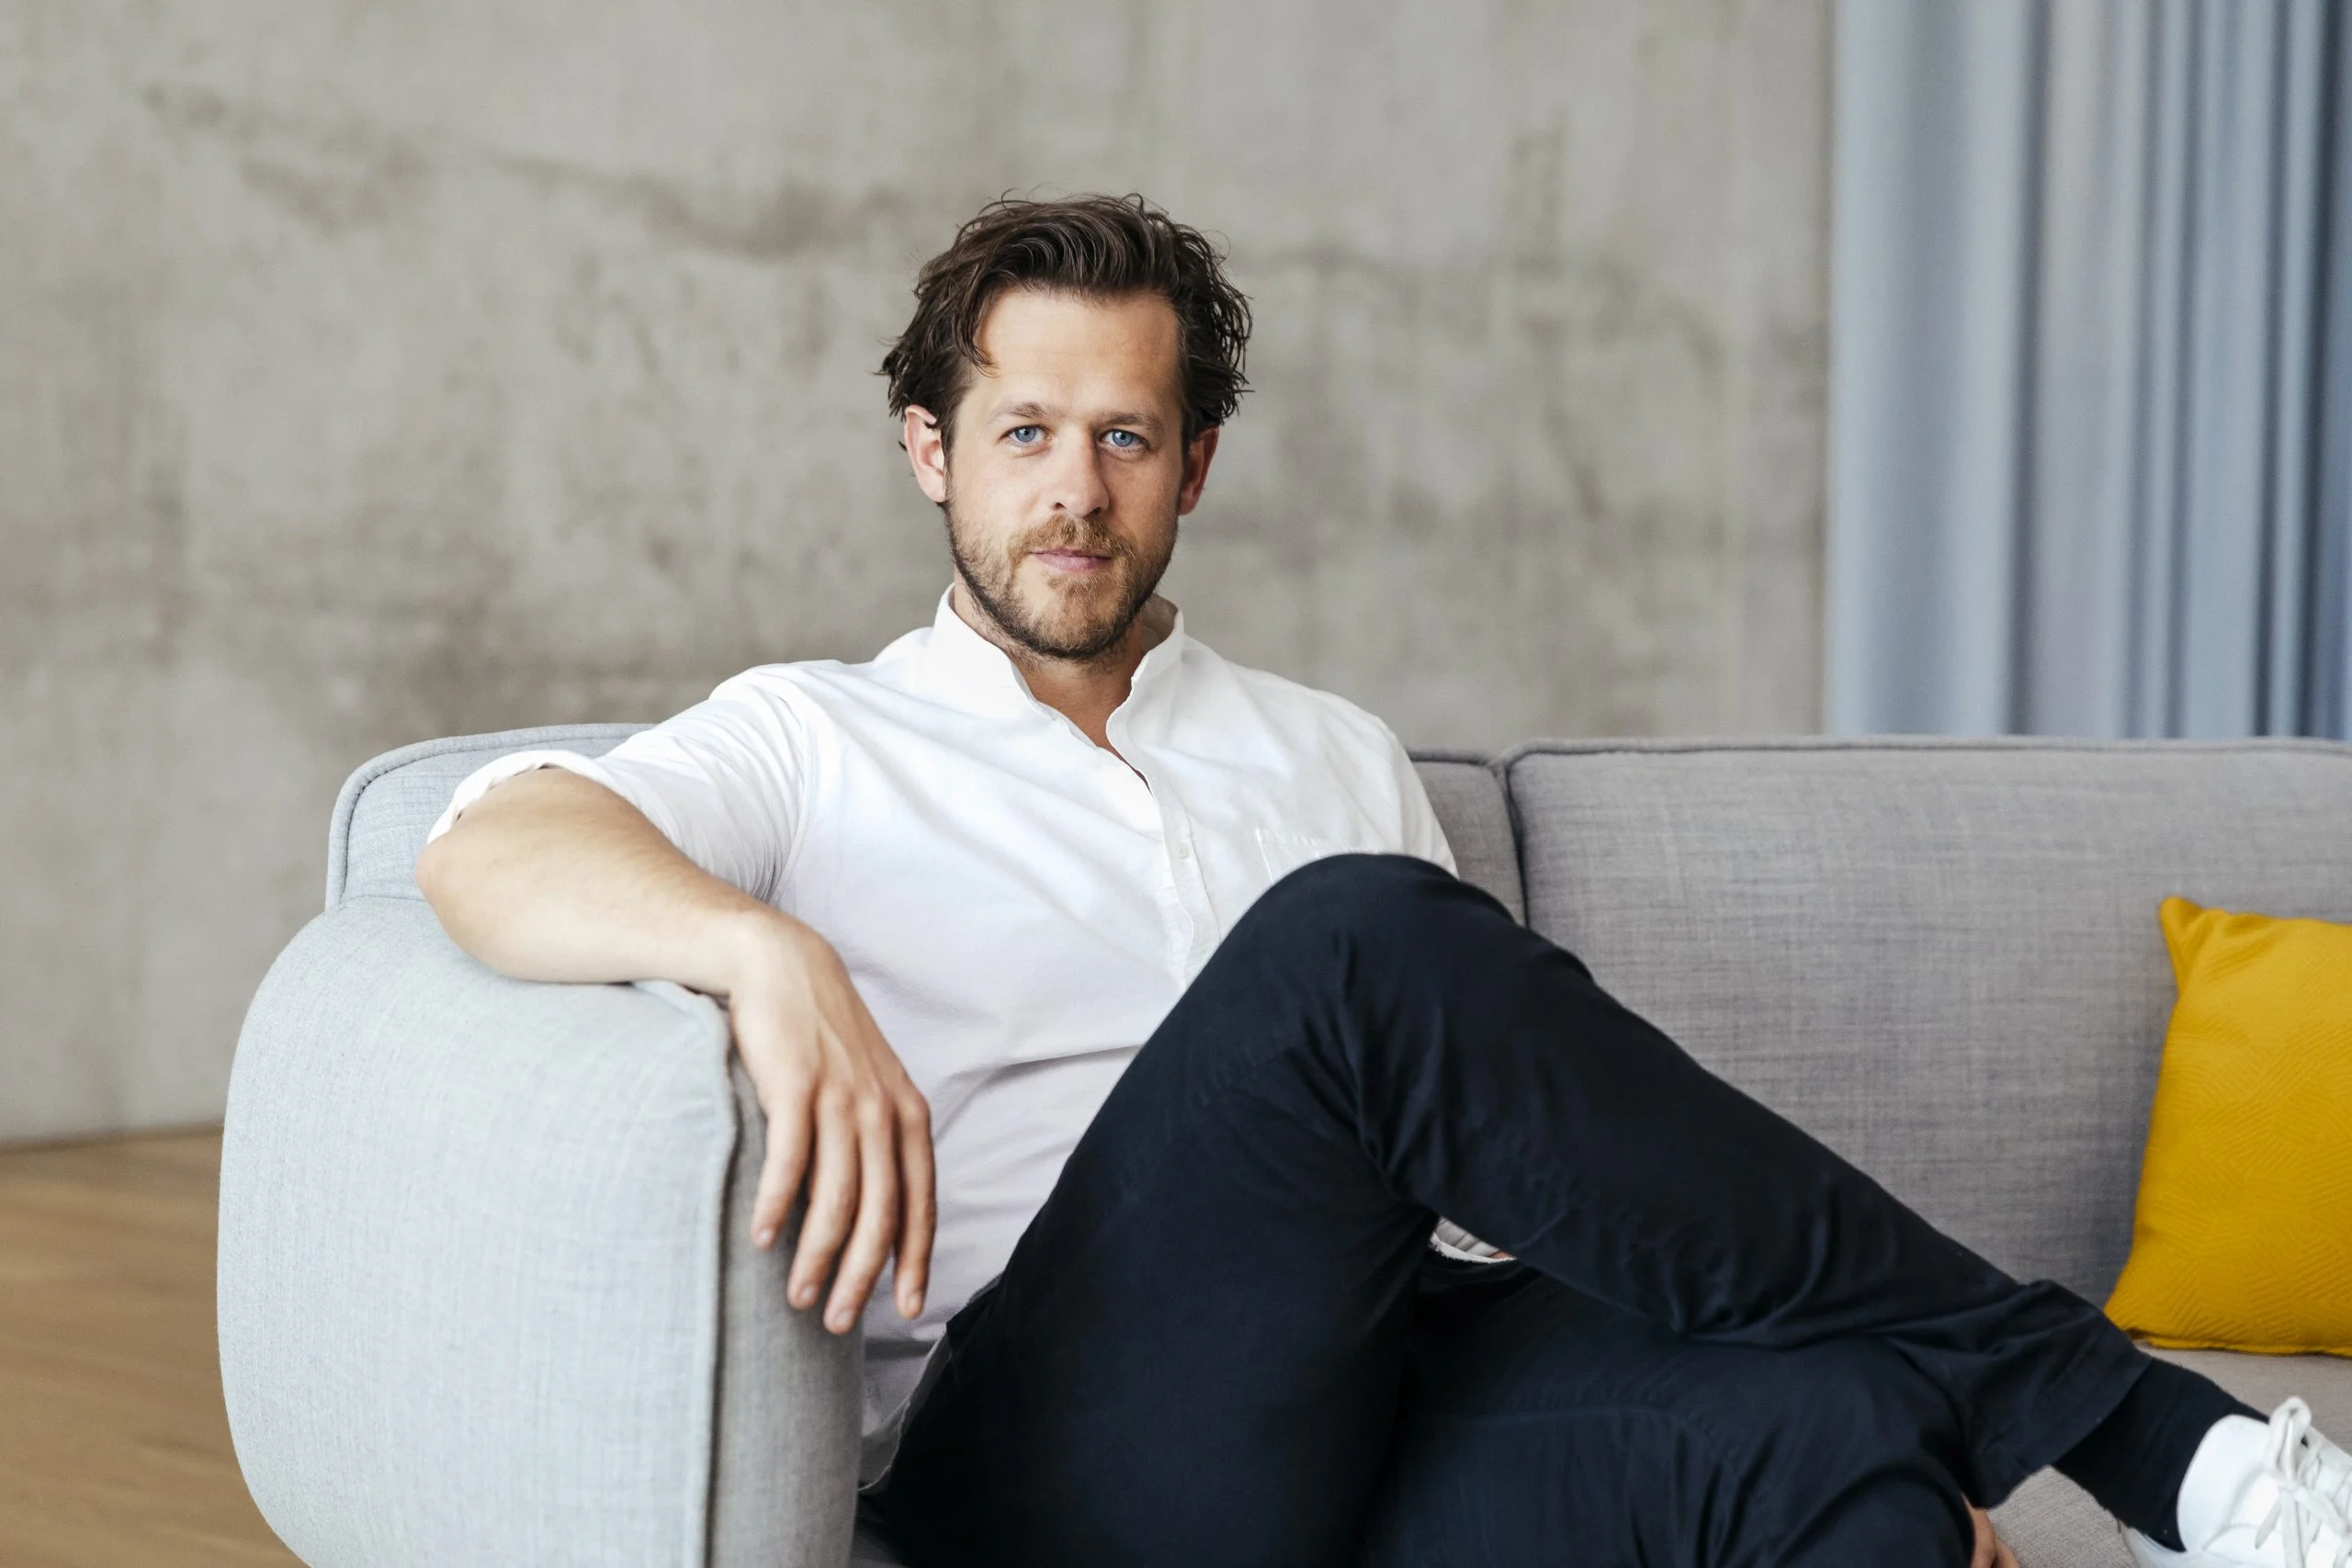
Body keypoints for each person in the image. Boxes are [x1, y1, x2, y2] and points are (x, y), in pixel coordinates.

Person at [415, 195, 2350, 1568]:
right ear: (931, 452)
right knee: (1345, 948)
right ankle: (2135, 1426)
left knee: (1841, 1437)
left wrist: (1818, 1377)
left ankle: (1985, 1422)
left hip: (1372, 1391)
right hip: (1051, 1454)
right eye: (1021, 434)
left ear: (1196, 465)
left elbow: (1508, 1178)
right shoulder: (812, 736)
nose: (1070, 490)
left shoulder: (1324, 748)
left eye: (1122, 437)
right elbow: (484, 843)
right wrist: (761, 952)